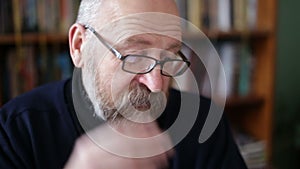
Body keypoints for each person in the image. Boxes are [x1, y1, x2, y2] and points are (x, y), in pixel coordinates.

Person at [0, 0, 247, 168]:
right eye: (134, 57)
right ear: (79, 46)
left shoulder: (203, 124)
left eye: (169, 57)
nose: (156, 85)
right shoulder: (15, 132)